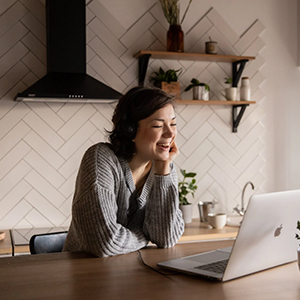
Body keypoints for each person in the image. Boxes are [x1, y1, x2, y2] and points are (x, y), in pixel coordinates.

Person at [63, 86, 185, 257]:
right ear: (130, 131)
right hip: (86, 274)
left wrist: (163, 171)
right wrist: (144, 235)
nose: (170, 133)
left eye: (173, 123)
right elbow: (105, 242)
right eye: (158, 125)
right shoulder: (101, 159)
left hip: (133, 273)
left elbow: (166, 238)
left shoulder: (164, 168)